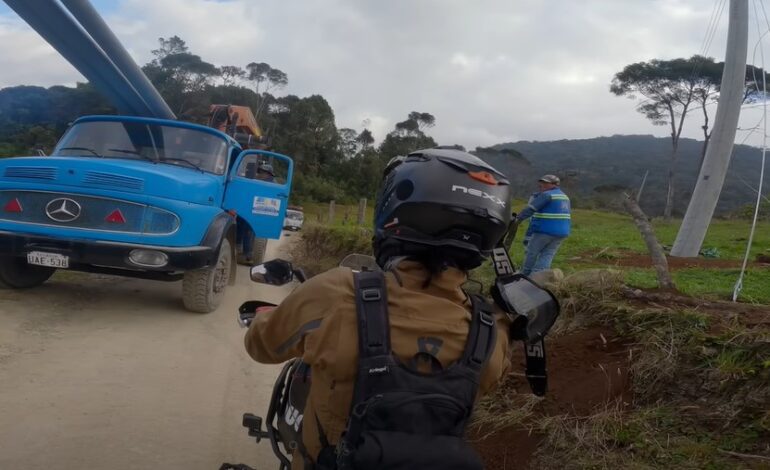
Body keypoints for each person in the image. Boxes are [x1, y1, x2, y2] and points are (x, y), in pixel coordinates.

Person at [244, 148, 516, 469]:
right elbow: (492, 379)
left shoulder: (338, 292)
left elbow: (261, 347)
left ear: (395, 210)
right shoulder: (490, 331)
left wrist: (263, 319)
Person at [515, 174, 571, 276]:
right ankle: (537, 277)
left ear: (554, 185)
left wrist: (517, 219)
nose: (542, 184)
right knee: (547, 254)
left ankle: (525, 274)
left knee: (531, 252)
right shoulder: (565, 197)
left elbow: (530, 209)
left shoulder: (547, 195)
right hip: (562, 232)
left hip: (545, 231)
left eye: (546, 183)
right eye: (541, 182)